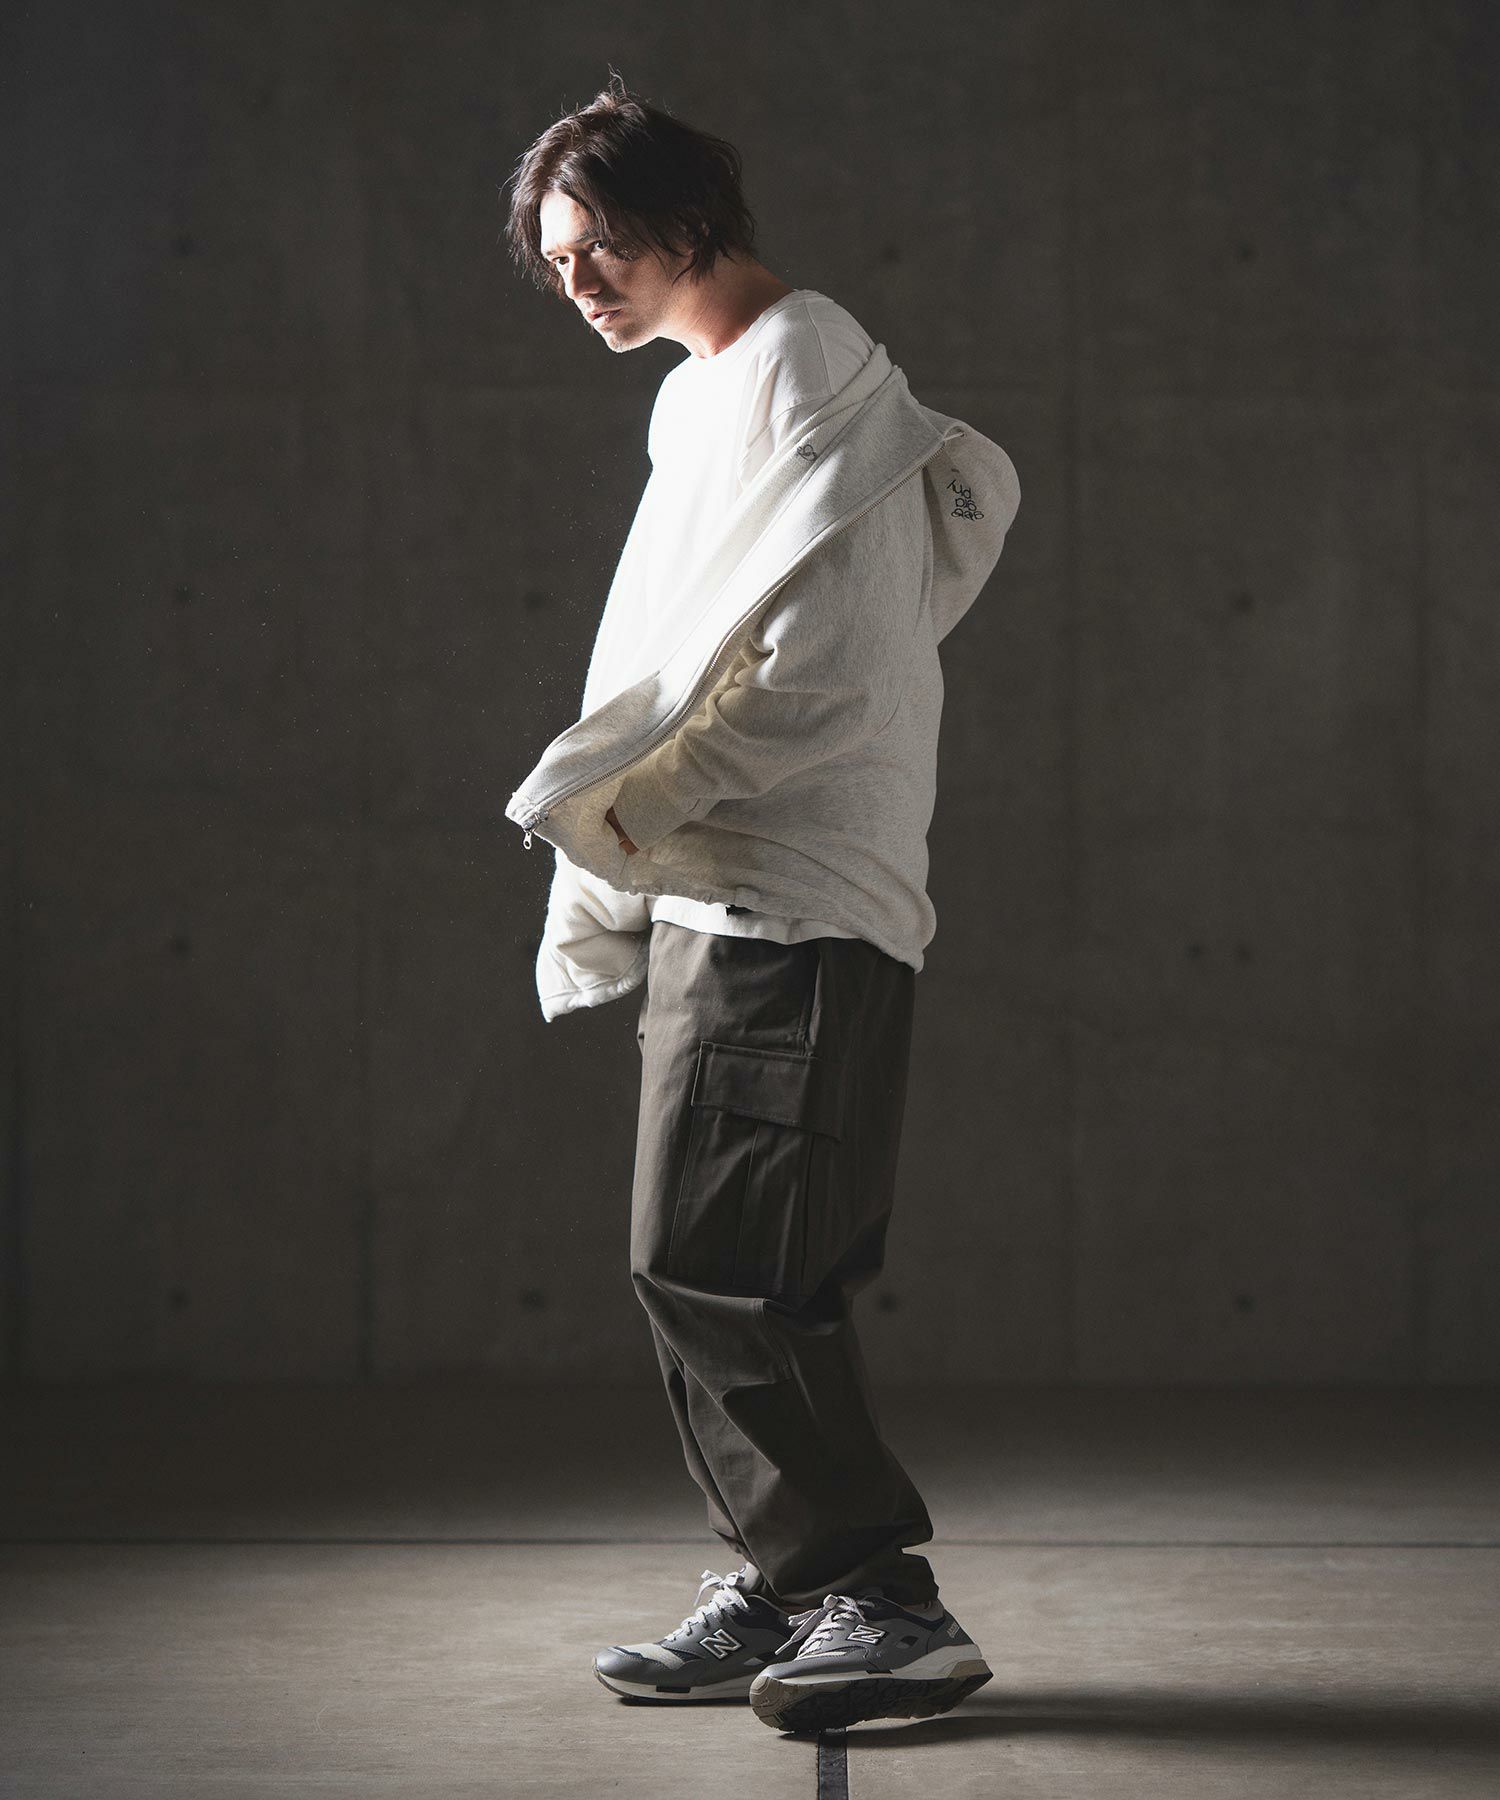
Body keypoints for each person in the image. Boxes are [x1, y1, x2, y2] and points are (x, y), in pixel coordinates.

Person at [502, 72, 1019, 1735]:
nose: (578, 281)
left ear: (687, 215)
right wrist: (642, 836)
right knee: (705, 1265)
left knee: (728, 1271)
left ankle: (883, 1600)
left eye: (598, 243)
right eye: (556, 260)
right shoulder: (701, 393)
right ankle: (788, 1582)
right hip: (722, 899)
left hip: (793, 904)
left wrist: (629, 806)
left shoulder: (802, 364)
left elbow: (824, 670)